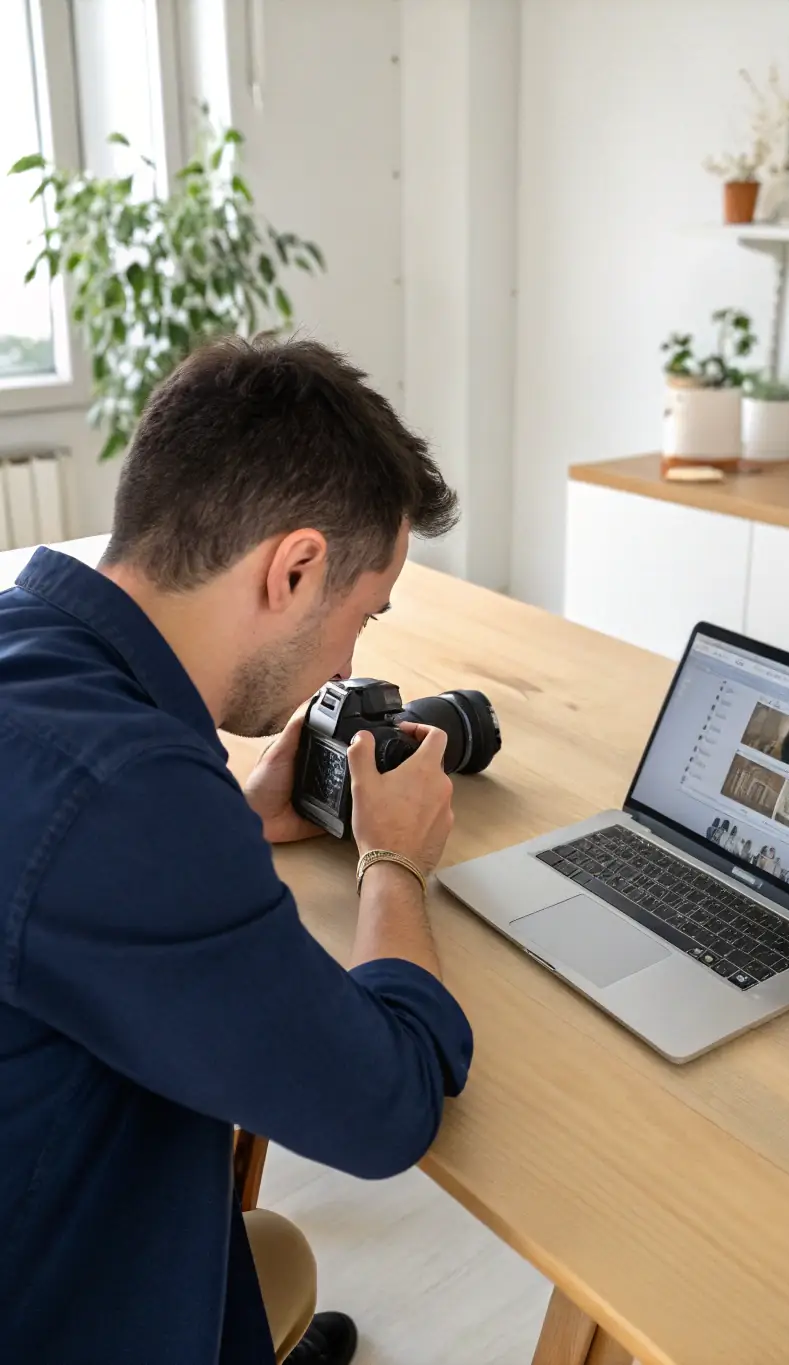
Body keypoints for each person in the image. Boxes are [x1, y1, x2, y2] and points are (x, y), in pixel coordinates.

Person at [0, 338, 472, 1365]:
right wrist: (394, 863)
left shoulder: (26, 650)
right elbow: (383, 1112)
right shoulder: (127, 804)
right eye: (363, 614)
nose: (349, 663)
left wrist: (238, 815)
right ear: (295, 567)